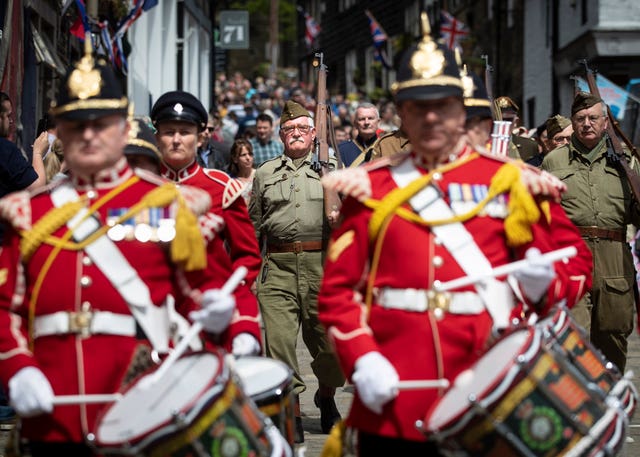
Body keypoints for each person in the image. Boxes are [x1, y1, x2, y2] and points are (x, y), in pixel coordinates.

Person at [317, 15, 592, 455]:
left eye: (442, 104)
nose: (430, 117)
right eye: (416, 107)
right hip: (393, 396)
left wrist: (546, 285)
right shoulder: (368, 188)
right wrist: (362, 357)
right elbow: (337, 293)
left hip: (491, 392)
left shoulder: (511, 182)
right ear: (400, 112)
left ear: (460, 109)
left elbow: (573, 266)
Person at [0, 48, 242, 456]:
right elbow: (6, 308)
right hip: (50, 412)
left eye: (101, 123)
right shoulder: (26, 215)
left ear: (121, 127)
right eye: (76, 125)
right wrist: (18, 370)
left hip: (141, 408)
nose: (89, 135)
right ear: (59, 129)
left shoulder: (166, 206)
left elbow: (194, 293)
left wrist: (216, 310)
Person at [248, 100, 346, 442]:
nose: (296, 135)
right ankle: (292, 411)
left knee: (331, 348)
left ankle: (327, 396)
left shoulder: (333, 170)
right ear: (280, 135)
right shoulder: (265, 173)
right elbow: (253, 226)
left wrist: (340, 216)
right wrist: (249, 273)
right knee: (279, 346)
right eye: (289, 130)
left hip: (323, 268)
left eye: (302, 129)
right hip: (277, 268)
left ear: (314, 133)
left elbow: (355, 224)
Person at [151, 90, 263, 356]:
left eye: (185, 132)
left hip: (208, 316)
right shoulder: (141, 187)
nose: (177, 140)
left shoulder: (222, 187)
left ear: (200, 138)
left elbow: (246, 257)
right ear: (157, 137)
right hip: (152, 318)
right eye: (168, 132)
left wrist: (230, 303)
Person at [542, 91, 640, 372]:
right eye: (581, 118)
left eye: (593, 117)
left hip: (614, 256)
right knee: (575, 335)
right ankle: (579, 406)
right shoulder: (554, 161)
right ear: (573, 121)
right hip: (572, 254)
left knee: (613, 334)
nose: (587, 123)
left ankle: (613, 400)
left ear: (605, 122)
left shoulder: (626, 161)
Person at [338, 103, 381, 167]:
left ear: (378, 122)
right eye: (362, 119)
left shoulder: (386, 147)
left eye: (370, 118)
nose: (366, 122)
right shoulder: (342, 149)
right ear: (355, 124)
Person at [228, 138, 255, 205]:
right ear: (235, 159)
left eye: (250, 154)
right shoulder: (230, 181)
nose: (248, 158)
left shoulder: (259, 176)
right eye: (243, 155)